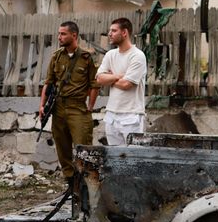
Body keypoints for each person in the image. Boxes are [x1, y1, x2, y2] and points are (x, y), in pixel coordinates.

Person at [40, 21, 99, 183]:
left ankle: (87, 183)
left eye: (63, 34)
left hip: (77, 108)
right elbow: (48, 83)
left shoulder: (87, 57)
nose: (59, 37)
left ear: (74, 35)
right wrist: (42, 105)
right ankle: (71, 181)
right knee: (62, 147)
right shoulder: (56, 56)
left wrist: (90, 107)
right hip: (58, 108)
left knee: (83, 147)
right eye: (59, 34)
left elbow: (95, 85)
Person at [96, 17, 147, 146]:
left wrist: (110, 78)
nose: (109, 34)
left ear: (124, 33)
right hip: (111, 115)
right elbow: (99, 79)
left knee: (133, 157)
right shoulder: (110, 55)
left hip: (131, 115)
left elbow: (126, 85)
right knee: (115, 158)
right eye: (110, 31)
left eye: (113, 31)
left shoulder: (137, 56)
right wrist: (118, 76)